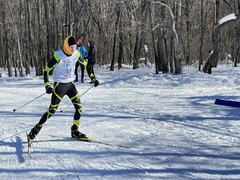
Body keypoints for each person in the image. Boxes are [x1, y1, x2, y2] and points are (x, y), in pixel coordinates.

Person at [28, 36, 99, 142]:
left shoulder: (77, 54)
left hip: (70, 85)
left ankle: (74, 131)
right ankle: (35, 130)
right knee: (52, 110)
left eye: (74, 47)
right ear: (66, 46)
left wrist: (93, 78)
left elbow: (86, 66)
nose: (73, 49)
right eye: (71, 47)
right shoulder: (58, 56)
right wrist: (47, 85)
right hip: (59, 86)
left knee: (79, 108)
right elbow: (46, 70)